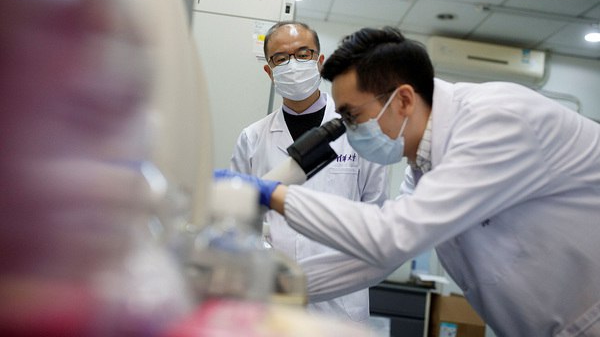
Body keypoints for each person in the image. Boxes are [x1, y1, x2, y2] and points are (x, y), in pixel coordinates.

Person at [217, 26, 600, 336]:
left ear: (402, 100)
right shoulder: (425, 164)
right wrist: (271, 286)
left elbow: (391, 235)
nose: (349, 129)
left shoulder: (496, 120)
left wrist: (274, 194)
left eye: (351, 116)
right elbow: (382, 257)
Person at [229, 22, 389, 323]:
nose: (293, 64)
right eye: (281, 58)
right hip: (270, 294)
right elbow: (238, 221)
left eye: (303, 54)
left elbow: (377, 212)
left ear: (319, 62)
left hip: (341, 300)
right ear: (269, 71)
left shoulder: (358, 131)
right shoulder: (252, 139)